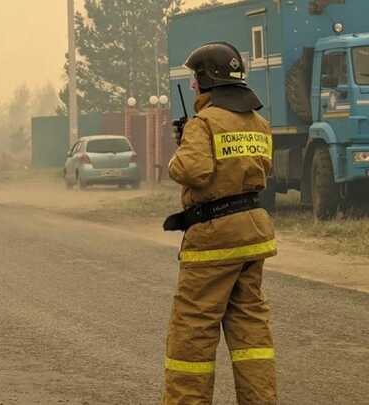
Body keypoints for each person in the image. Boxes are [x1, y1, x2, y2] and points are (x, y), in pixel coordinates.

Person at [162, 42, 278, 405]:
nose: (193, 86)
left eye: (196, 79)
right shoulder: (259, 123)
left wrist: (182, 151)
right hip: (253, 234)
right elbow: (259, 170)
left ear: (207, 80)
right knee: (251, 333)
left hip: (214, 239)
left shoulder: (204, 122)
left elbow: (192, 170)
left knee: (192, 333)